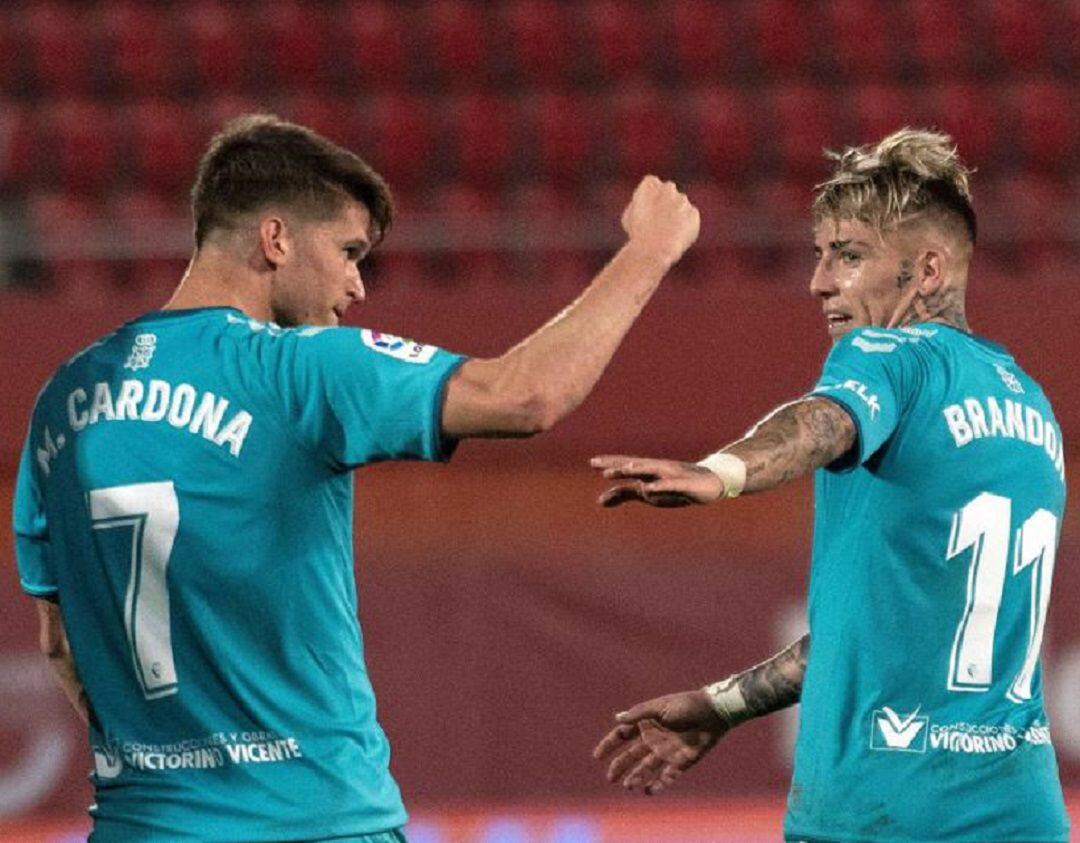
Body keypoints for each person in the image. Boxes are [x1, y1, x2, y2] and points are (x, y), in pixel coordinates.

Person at [13, 114, 699, 842]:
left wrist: (178, 769)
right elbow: (524, 396)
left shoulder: (65, 401)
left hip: (141, 825)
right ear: (275, 239)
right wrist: (650, 251)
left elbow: (60, 641)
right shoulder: (294, 368)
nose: (356, 286)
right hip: (315, 820)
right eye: (348, 252)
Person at [591, 128, 1069, 843]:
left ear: (928, 270)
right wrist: (723, 703)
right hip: (1022, 813)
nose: (819, 281)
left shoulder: (887, 354)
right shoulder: (1033, 403)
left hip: (882, 810)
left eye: (848, 255)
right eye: (821, 255)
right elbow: (869, 634)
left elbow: (821, 421)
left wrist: (721, 472)